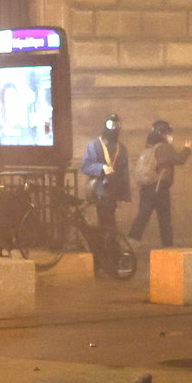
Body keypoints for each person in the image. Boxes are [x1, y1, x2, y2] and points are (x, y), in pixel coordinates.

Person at [128, 120, 192, 248]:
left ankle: (130, 245)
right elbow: (179, 160)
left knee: (142, 217)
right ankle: (168, 248)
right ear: (163, 134)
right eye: (169, 134)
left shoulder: (149, 148)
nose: (171, 137)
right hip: (159, 188)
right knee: (165, 219)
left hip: (146, 188)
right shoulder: (163, 147)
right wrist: (187, 149)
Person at [79, 113, 131, 268]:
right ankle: (108, 256)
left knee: (107, 224)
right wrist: (101, 168)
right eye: (111, 125)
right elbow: (86, 166)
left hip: (112, 193)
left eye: (117, 125)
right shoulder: (95, 145)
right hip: (99, 192)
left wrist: (124, 194)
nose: (114, 128)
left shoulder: (122, 148)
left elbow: (124, 173)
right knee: (107, 224)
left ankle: (107, 256)